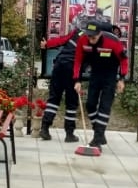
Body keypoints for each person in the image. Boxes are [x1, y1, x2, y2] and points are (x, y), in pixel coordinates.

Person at [73, 19, 129, 148]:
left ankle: (97, 138)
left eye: (93, 37)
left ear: (100, 33)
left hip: (110, 75)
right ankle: (100, 132)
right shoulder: (83, 40)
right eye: (89, 36)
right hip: (95, 73)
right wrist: (77, 80)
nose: (91, 39)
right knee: (90, 105)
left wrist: (121, 79)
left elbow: (123, 60)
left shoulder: (112, 41)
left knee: (104, 106)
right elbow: (78, 60)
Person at [38, 27, 87, 142]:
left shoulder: (77, 32)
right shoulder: (94, 40)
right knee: (71, 102)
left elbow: (62, 40)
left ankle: (44, 128)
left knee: (54, 98)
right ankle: (69, 134)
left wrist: (47, 44)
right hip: (72, 69)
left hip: (59, 65)